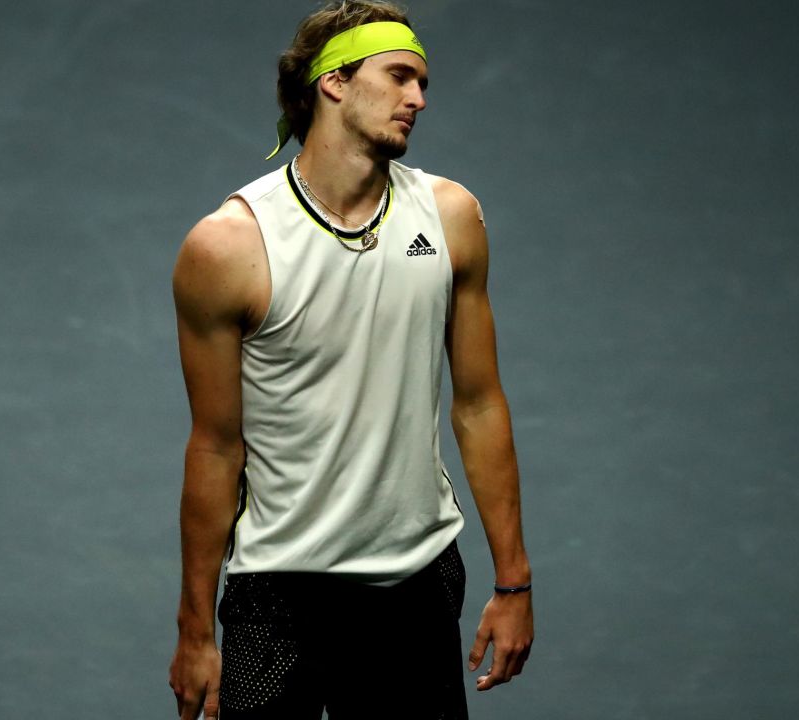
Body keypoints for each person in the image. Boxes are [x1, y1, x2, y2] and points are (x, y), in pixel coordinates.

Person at [167, 2, 533, 717]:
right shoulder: (228, 247)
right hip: (277, 594)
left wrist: (514, 582)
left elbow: (479, 403)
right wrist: (195, 632)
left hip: (418, 584)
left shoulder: (451, 217)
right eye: (399, 76)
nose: (418, 99)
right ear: (333, 82)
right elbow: (215, 447)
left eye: (422, 83)